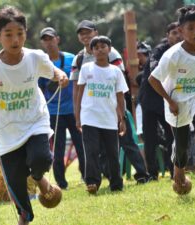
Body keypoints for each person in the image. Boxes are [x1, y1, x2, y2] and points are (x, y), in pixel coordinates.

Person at [0, 6, 68, 225]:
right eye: (9, 35)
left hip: (35, 120)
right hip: (6, 130)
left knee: (40, 159)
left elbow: (53, 71)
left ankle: (40, 179)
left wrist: (61, 76)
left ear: (26, 33)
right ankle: (25, 216)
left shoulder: (35, 57)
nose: (15, 39)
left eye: (20, 33)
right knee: (14, 180)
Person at [148, 5, 195, 194]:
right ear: (181, 31)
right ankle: (178, 167)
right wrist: (169, 101)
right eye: (190, 29)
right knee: (181, 145)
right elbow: (153, 79)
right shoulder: (173, 55)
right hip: (176, 100)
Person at [71, 20, 149, 183]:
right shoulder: (78, 59)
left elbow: (119, 82)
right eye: (81, 33)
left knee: (127, 142)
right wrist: (77, 112)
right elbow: (76, 89)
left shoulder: (111, 53)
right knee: (100, 148)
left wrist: (121, 110)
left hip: (114, 107)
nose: (85, 35)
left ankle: (142, 174)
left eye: (88, 32)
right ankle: (110, 176)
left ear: (96, 32)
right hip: (92, 111)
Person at [75, 35, 126, 194]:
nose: (100, 50)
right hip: (89, 117)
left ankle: (116, 184)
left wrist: (121, 118)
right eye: (96, 48)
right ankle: (92, 182)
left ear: (109, 50)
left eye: (103, 46)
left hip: (109, 118)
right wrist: (78, 118)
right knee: (91, 151)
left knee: (112, 153)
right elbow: (79, 93)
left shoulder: (116, 71)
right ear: (92, 51)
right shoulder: (86, 68)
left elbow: (120, 96)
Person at [39, 27, 85, 189]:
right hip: (53, 112)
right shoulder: (41, 64)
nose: (49, 42)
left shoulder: (72, 59)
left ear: (57, 39)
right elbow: (38, 89)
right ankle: (61, 182)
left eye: (51, 38)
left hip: (73, 110)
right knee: (57, 149)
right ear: (42, 43)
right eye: (45, 39)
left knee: (81, 145)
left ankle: (86, 176)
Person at [139, 22, 182, 180]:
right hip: (151, 98)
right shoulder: (159, 50)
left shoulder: (186, 49)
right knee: (150, 137)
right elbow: (153, 68)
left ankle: (174, 171)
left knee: (172, 136)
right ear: (167, 36)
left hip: (168, 98)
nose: (178, 36)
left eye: (180, 32)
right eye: (174, 33)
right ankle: (152, 174)